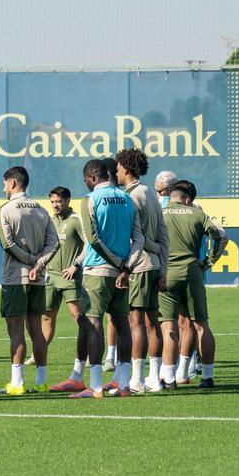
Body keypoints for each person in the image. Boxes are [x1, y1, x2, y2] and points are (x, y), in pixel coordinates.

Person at [53, 159, 141, 399]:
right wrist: (126, 267)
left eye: (85, 180)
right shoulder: (127, 198)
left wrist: (116, 263)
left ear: (92, 178)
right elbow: (139, 238)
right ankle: (124, 385)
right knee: (122, 324)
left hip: (97, 271)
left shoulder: (90, 199)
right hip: (122, 273)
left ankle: (95, 386)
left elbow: (92, 239)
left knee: (93, 324)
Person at [0, 166, 59, 395]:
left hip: (15, 277)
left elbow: (7, 244)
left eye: (4, 184)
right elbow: (54, 244)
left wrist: (30, 261)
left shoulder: (5, 210)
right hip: (38, 278)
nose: (3, 188)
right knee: (36, 330)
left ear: (12, 183)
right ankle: (41, 382)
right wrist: (39, 264)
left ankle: (17, 382)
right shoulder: (42, 210)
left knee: (15, 330)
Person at [158, 180, 227, 389]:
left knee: (169, 326)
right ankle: (207, 377)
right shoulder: (197, 213)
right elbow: (222, 236)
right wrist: (208, 262)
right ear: (187, 199)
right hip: (192, 272)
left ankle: (169, 378)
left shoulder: (160, 214)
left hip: (166, 274)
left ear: (170, 198)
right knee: (200, 325)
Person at [115, 148, 169, 394]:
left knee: (135, 322)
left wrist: (127, 266)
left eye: (117, 168)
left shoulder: (131, 196)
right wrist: (163, 266)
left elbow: (137, 236)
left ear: (126, 169)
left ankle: (136, 380)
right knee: (152, 322)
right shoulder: (151, 194)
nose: (115, 172)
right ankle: (154, 378)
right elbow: (163, 235)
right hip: (154, 264)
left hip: (138, 264)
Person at [30, 187, 84, 367]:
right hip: (50, 277)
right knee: (46, 317)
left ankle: (89, 353)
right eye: (52, 202)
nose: (55, 205)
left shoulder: (76, 220)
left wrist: (76, 265)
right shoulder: (50, 220)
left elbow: (89, 245)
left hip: (70, 278)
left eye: (58, 201)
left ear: (68, 201)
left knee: (78, 316)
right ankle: (39, 354)